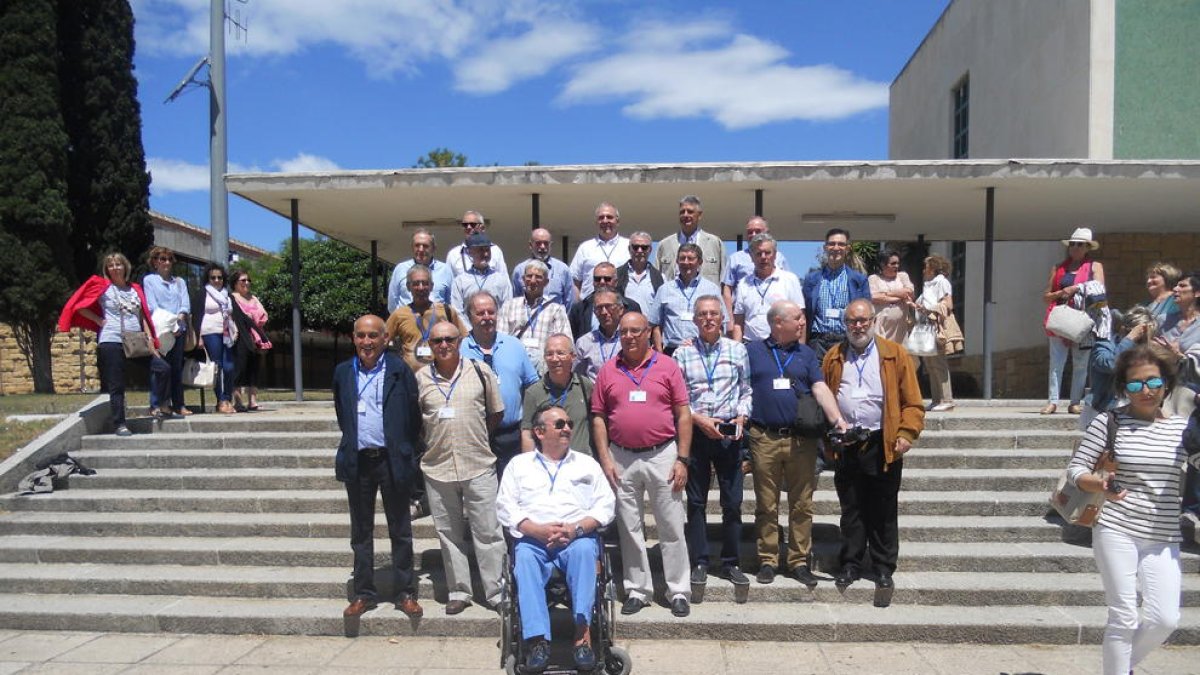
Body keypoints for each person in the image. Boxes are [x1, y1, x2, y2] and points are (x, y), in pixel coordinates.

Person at [1066, 345, 1195, 675]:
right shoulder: (1109, 423)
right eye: (1135, 385)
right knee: (1124, 615)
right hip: (1116, 526)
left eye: (1153, 382)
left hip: (1163, 534)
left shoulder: (1182, 430)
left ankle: (1121, 667)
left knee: (1165, 619)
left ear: (1166, 384)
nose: (1146, 391)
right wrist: (1100, 484)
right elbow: (1076, 470)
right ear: (1124, 389)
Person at [821, 299, 925, 608]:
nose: (858, 326)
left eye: (863, 320)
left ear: (874, 321)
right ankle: (851, 563)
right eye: (852, 321)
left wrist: (907, 433)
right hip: (847, 443)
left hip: (884, 442)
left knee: (882, 508)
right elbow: (824, 396)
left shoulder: (895, 354)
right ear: (845, 324)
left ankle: (882, 568)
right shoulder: (834, 356)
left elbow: (913, 402)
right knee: (851, 508)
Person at [497, 405, 616, 674]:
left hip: (576, 538)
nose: (567, 429)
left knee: (586, 552)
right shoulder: (519, 465)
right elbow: (505, 506)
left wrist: (577, 528)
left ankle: (582, 636)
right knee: (524, 558)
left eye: (569, 423)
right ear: (539, 432)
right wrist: (533, 529)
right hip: (533, 539)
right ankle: (538, 641)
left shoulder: (587, 463)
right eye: (560, 424)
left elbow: (605, 506)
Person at [591, 312, 693, 617]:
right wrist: (605, 458)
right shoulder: (609, 370)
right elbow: (598, 416)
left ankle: (678, 590)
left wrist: (683, 459)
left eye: (636, 331)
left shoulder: (667, 365)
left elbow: (683, 414)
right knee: (629, 528)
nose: (630, 336)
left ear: (648, 332)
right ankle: (637, 588)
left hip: (662, 453)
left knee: (671, 525)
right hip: (621, 456)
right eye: (624, 332)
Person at [746, 300, 846, 587]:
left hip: (802, 441)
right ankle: (767, 560)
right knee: (766, 504)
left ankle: (798, 561)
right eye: (797, 318)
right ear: (778, 323)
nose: (803, 323)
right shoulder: (752, 351)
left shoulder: (805, 354)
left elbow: (819, 387)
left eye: (802, 319)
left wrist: (837, 418)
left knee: (802, 504)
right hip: (764, 437)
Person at [333, 315, 423, 620]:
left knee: (401, 529)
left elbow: (413, 416)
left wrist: (406, 451)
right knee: (361, 532)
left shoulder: (400, 371)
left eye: (373, 336)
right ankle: (364, 593)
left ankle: (404, 592)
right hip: (359, 461)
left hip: (392, 460)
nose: (367, 342)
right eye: (361, 336)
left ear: (385, 339)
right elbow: (342, 414)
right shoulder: (343, 372)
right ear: (354, 338)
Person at [415, 321, 506, 614]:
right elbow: (416, 422)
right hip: (438, 467)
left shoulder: (480, 371)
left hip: (478, 463)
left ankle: (498, 591)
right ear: (430, 345)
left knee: (489, 531)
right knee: (448, 533)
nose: (443, 345)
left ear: (459, 340)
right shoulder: (420, 379)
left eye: (449, 340)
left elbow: (496, 412)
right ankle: (459, 591)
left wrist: (474, 437)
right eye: (437, 340)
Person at [673, 296, 752, 586]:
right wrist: (698, 419)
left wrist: (742, 417)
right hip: (696, 434)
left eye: (714, 314)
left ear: (723, 319)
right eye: (702, 314)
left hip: (729, 433)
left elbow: (746, 390)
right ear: (694, 320)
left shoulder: (737, 350)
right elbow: (677, 399)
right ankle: (700, 561)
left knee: (732, 503)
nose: (708, 319)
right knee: (695, 502)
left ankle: (731, 562)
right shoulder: (681, 354)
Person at [58, 252, 170, 436]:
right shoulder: (103, 287)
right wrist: (99, 320)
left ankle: (161, 405)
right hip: (111, 340)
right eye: (111, 265)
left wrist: (150, 341)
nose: (115, 268)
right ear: (107, 269)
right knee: (117, 385)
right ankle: (120, 423)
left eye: (118, 264)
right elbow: (80, 306)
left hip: (135, 340)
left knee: (163, 368)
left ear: (125, 266)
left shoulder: (135, 289)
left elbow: (143, 318)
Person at [461, 291, 540, 476]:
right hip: (475, 437)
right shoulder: (460, 348)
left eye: (491, 312)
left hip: (511, 435)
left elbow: (532, 385)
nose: (487, 317)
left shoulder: (514, 345)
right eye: (480, 313)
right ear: (469, 317)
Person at [1042, 227, 1105, 415]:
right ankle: (1052, 401)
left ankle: (1075, 401)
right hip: (1060, 318)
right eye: (1073, 244)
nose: (1075, 247)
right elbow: (1046, 295)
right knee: (1056, 363)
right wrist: (1061, 293)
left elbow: (1100, 288)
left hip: (1083, 320)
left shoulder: (1095, 266)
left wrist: (1076, 288)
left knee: (1080, 363)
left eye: (1080, 244)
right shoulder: (1058, 268)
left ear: (1087, 247)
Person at [802, 228, 871, 360]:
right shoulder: (812, 279)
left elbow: (867, 313)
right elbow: (804, 313)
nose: (836, 247)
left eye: (841, 244)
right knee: (818, 380)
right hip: (818, 342)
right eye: (832, 244)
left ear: (847, 248)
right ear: (825, 247)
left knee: (844, 380)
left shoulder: (859, 280)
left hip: (846, 340)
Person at [1083, 307, 1156, 430]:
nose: (1141, 342)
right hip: (1104, 409)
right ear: (1123, 329)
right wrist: (1130, 339)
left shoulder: (1146, 350)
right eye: (1140, 337)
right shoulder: (1104, 345)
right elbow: (1111, 365)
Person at [385, 264, 467, 373]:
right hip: (411, 379)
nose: (421, 288)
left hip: (442, 377)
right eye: (416, 284)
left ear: (431, 286)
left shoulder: (446, 311)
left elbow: (464, 339)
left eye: (425, 283)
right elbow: (382, 341)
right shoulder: (399, 314)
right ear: (408, 287)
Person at [522, 334, 594, 454]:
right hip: (549, 466)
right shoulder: (533, 393)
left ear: (573, 357)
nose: (555, 359)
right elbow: (527, 434)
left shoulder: (584, 386)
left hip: (581, 464)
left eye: (560, 353)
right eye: (549, 354)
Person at [141, 246, 192, 417]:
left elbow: (185, 304)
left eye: (169, 259)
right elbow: (152, 306)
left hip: (179, 328)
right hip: (162, 329)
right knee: (161, 367)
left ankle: (178, 404)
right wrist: (171, 324)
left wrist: (179, 321)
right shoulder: (150, 280)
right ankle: (157, 404)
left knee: (176, 368)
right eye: (162, 259)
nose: (167, 262)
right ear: (155, 261)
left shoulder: (180, 282)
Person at [650, 243, 724, 355]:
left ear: (700, 262)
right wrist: (660, 353)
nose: (686, 262)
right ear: (677, 261)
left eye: (690, 258)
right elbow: (655, 324)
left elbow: (721, 324)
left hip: (704, 351)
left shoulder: (712, 289)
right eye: (682, 258)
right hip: (671, 350)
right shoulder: (664, 289)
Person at [497, 260, 571, 371]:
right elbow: (500, 340)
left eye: (538, 277)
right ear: (523, 280)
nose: (532, 281)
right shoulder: (509, 306)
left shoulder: (556, 310)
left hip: (545, 370)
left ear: (546, 282)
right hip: (515, 367)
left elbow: (565, 342)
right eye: (529, 276)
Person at [731, 233, 805, 343]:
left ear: (775, 255)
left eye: (767, 253)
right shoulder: (743, 284)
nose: (763, 257)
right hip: (751, 346)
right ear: (751, 257)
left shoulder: (790, 280)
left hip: (782, 345)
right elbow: (738, 323)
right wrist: (737, 349)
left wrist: (801, 350)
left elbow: (801, 317)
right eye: (759, 253)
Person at [913, 255, 958, 412]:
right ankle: (936, 399)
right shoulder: (929, 285)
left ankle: (947, 399)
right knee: (930, 365)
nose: (924, 270)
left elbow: (948, 304)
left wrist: (929, 308)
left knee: (938, 364)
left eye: (926, 266)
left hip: (935, 327)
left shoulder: (941, 281)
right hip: (926, 327)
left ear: (932, 267)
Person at [191, 263, 238, 414]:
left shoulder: (227, 295)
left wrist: (234, 328)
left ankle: (227, 398)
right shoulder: (202, 294)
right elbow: (197, 316)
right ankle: (221, 400)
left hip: (226, 333)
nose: (217, 280)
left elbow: (231, 314)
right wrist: (198, 337)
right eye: (213, 277)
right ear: (208, 279)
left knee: (229, 367)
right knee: (217, 367)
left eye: (219, 277)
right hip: (210, 333)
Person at [722, 216, 791, 319]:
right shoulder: (735, 259)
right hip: (742, 317)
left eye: (757, 231)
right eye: (750, 232)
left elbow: (788, 286)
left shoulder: (779, 258)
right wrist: (729, 320)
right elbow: (727, 290)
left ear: (767, 232)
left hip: (775, 316)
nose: (753, 235)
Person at [656, 195, 727, 285]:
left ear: (699, 215)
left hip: (706, 297)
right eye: (682, 212)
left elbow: (724, 279)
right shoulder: (664, 245)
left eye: (690, 211)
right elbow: (656, 279)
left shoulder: (715, 243)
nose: (685, 215)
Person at [228, 270, 271, 412]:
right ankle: (238, 400)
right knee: (240, 368)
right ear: (235, 283)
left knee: (254, 368)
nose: (246, 283)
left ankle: (253, 401)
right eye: (243, 280)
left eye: (248, 280)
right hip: (240, 336)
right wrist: (252, 316)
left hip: (255, 337)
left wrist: (252, 316)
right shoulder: (232, 298)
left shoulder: (254, 298)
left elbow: (263, 315)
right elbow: (239, 316)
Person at [569, 202, 630, 301]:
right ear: (596, 222)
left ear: (617, 221)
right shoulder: (585, 248)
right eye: (601, 218)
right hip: (589, 307)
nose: (605, 221)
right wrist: (579, 305)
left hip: (621, 306)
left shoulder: (629, 246)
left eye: (609, 217)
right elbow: (574, 281)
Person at [568, 262, 641, 339]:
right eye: (597, 279)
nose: (602, 282)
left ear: (616, 282)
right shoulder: (580, 309)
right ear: (593, 282)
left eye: (607, 279)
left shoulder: (631, 307)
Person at [387, 228, 454, 313]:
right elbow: (392, 304)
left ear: (434, 248)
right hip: (408, 322)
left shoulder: (445, 270)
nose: (421, 249)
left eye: (425, 246)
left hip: (437, 323)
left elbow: (451, 303)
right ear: (412, 247)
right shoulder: (400, 269)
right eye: (417, 245)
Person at [450, 232, 513, 320]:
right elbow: (457, 312)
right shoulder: (460, 282)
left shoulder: (501, 280)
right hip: (468, 332)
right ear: (469, 252)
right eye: (480, 250)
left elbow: (507, 309)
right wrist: (470, 331)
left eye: (487, 250)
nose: (485, 254)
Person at [511, 227, 575, 309]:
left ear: (550, 245)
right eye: (538, 243)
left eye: (546, 243)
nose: (542, 247)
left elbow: (569, 301)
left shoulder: (563, 270)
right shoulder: (519, 270)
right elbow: (516, 300)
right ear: (530, 245)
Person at [574, 289, 625, 380]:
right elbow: (578, 377)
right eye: (599, 308)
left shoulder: (630, 340)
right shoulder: (584, 342)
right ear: (594, 313)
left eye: (609, 306)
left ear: (620, 309)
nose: (604, 312)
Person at [867, 249, 915, 343]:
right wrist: (899, 296)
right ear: (882, 264)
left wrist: (886, 294)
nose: (896, 266)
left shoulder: (902, 276)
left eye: (897, 263)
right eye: (893, 263)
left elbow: (909, 292)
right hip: (881, 327)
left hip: (900, 328)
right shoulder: (874, 279)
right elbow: (874, 297)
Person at [446, 210, 508, 278]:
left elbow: (504, 279)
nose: (468, 227)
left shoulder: (495, 250)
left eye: (473, 224)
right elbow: (449, 284)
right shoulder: (453, 254)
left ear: (483, 228)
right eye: (465, 225)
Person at [614, 231, 662, 313]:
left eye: (644, 247)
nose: (639, 251)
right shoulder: (616, 275)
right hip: (624, 324)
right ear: (629, 249)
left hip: (649, 325)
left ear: (650, 250)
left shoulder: (660, 278)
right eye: (635, 247)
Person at [1143, 261, 1182, 326]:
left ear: (1167, 278)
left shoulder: (1177, 300)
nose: (1148, 281)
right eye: (1148, 278)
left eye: (1153, 277)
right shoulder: (1144, 304)